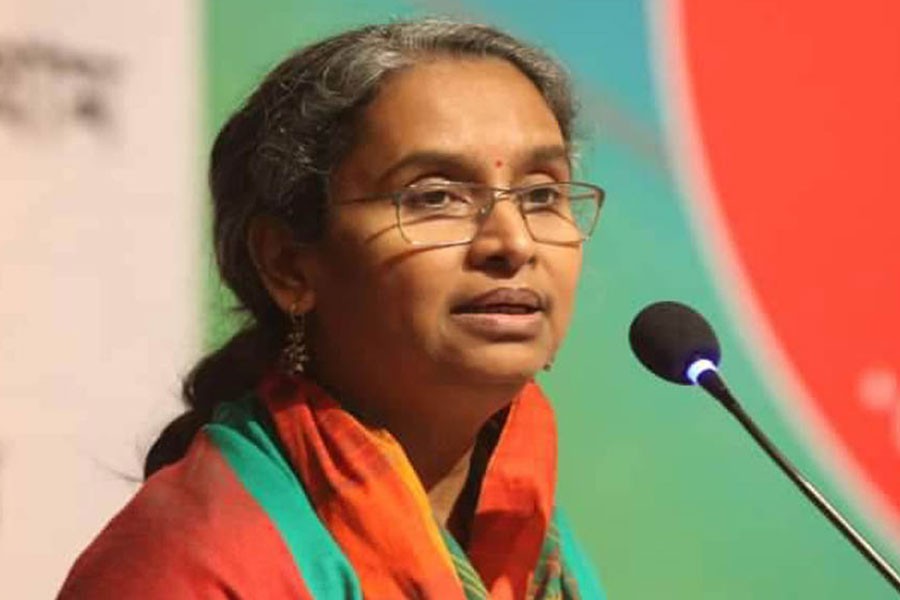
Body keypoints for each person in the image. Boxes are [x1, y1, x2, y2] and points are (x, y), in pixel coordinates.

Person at [59, 18, 607, 599]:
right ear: (287, 266)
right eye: (435, 197)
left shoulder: (527, 534)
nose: (513, 242)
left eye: (541, 194)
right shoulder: (193, 562)